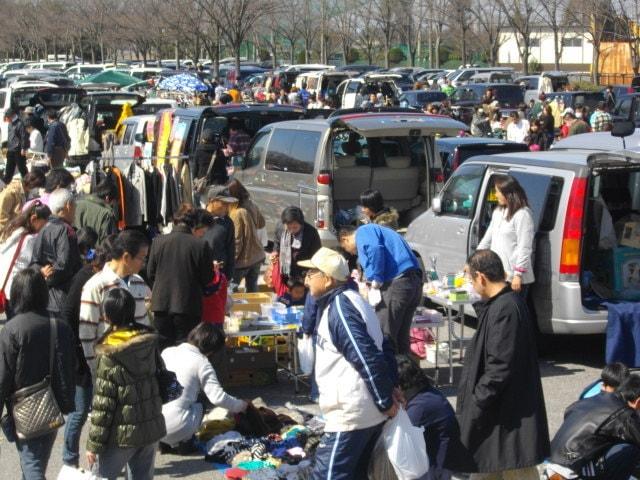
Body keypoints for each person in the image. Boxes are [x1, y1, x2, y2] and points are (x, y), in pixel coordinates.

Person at [298, 247, 399, 479]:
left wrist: (386, 399)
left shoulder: (342, 307)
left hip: (351, 415)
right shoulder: (347, 301)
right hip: (358, 412)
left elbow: (367, 356)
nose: (305, 280)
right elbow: (385, 347)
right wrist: (391, 388)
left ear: (328, 279)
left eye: (311, 273)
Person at [451, 250, 549, 479]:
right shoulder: (503, 302)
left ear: (482, 278)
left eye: (472, 279)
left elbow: (499, 367)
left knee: (515, 467)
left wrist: (476, 403)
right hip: (502, 413)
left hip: (507, 416)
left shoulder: (505, 308)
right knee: (490, 467)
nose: (471, 285)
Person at [0, 268, 75, 479]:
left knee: (31, 462)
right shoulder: (58, 323)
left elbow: (3, 376)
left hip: (23, 406)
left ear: (17, 293)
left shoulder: (12, 329)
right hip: (52, 402)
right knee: (37, 460)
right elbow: (69, 363)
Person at [85, 288, 166, 480]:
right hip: (150, 427)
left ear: (107, 316)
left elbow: (103, 405)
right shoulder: (148, 341)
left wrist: (93, 445)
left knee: (101, 476)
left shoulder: (109, 353)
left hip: (120, 435)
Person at [60, 238, 110, 468]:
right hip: (82, 356)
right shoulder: (85, 278)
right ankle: (69, 460)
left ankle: (103, 458)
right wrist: (77, 348)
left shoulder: (105, 280)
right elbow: (67, 315)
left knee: (102, 409)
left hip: (101, 352)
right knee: (80, 411)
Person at [339, 224, 423, 354]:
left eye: (347, 249)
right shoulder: (381, 231)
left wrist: (377, 278)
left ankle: (388, 372)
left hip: (397, 283)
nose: (351, 252)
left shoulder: (363, 232)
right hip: (413, 282)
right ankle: (404, 372)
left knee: (385, 336)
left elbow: (374, 249)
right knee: (402, 336)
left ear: (345, 239)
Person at [161, 323, 248, 448]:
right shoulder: (202, 363)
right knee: (201, 400)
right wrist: (241, 405)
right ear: (212, 350)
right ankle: (184, 442)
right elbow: (218, 398)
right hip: (177, 426)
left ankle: (165, 443)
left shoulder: (167, 352)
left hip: (153, 425)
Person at [79, 229, 151, 373]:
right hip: (110, 368)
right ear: (126, 257)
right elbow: (87, 333)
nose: (143, 263)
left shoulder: (139, 282)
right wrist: (97, 370)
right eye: (142, 258)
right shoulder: (95, 286)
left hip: (139, 366)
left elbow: (144, 322)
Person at [549, 374, 640, 480]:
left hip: (552, 460)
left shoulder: (589, 399)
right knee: (629, 450)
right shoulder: (623, 413)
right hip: (571, 469)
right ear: (638, 401)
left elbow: (568, 413)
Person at [147, 208, 213, 349]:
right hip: (188, 305)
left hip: (161, 305)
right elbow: (208, 278)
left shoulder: (158, 241)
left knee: (163, 349)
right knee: (186, 348)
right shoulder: (200, 245)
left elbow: (150, 273)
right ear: (194, 225)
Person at [396, 354, 459, 480]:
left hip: (435, 469)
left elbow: (399, 443)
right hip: (441, 458)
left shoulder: (419, 407)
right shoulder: (425, 392)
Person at [477, 174, 535, 296]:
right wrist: (473, 262)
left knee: (513, 312)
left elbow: (525, 247)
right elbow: (487, 239)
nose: (495, 195)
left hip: (514, 278)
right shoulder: (498, 212)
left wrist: (518, 275)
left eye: (498, 192)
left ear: (507, 193)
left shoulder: (522, 214)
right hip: (499, 274)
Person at [30, 188, 82, 320]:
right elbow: (65, 265)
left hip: (46, 297)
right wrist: (48, 276)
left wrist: (42, 272)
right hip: (64, 296)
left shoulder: (44, 228)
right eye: (75, 205)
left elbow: (34, 262)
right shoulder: (66, 230)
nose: (75, 210)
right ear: (68, 206)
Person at [0, 201, 51, 317]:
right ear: (34, 219)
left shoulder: (14, 230)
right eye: (44, 224)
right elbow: (26, 266)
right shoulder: (29, 240)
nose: (44, 228)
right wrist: (41, 273)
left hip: (4, 286)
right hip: (16, 289)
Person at [226, 184, 265, 293]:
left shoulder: (236, 213)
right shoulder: (251, 204)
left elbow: (237, 241)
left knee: (231, 291)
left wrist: (230, 261)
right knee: (252, 290)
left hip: (242, 261)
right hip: (256, 256)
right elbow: (262, 223)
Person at [273, 206, 322, 288]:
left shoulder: (311, 232)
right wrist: (275, 253)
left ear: (301, 224)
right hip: (286, 272)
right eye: (289, 227)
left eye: (295, 227)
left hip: (304, 273)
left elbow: (316, 255)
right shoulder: (280, 228)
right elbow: (277, 243)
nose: (292, 230)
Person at [203, 184, 236, 282]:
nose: (227, 207)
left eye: (228, 204)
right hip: (199, 273)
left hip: (219, 275)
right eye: (224, 203)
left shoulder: (228, 223)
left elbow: (231, 251)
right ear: (211, 201)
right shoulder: (198, 219)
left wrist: (228, 277)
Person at [74, 176, 118, 246]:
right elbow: (108, 242)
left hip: (76, 251)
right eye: (113, 202)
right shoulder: (106, 214)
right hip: (96, 254)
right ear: (107, 198)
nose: (112, 205)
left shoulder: (77, 204)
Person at [3, 108, 29, 183]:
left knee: (22, 170)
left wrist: (23, 148)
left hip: (18, 150)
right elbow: (10, 136)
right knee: (8, 171)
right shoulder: (10, 124)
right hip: (10, 150)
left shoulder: (20, 123)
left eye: (7, 117)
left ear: (11, 116)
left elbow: (24, 136)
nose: (6, 119)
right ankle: (5, 185)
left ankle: (28, 184)